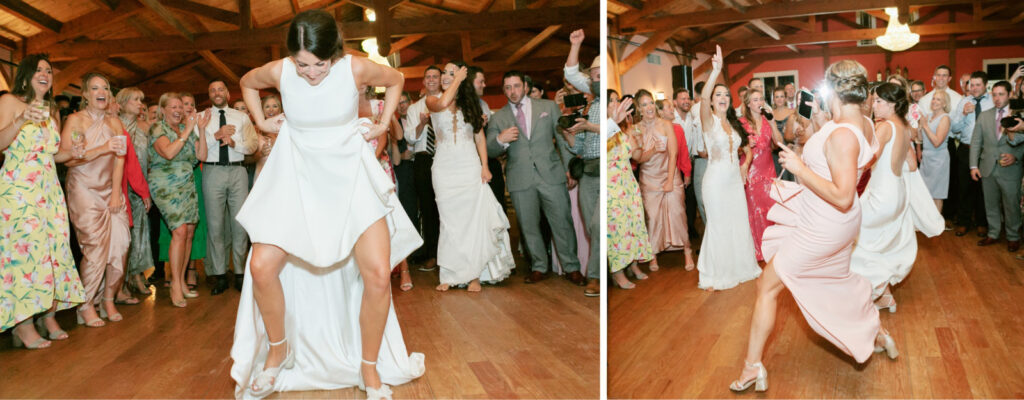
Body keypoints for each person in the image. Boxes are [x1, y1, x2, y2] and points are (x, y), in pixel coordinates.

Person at [230, 10, 424, 400]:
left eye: (319, 64)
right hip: (296, 175)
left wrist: (385, 121)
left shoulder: (354, 68)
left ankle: (368, 369)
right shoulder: (281, 70)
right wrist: (261, 122)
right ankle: (278, 350)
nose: (311, 73)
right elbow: (246, 82)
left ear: (333, 54)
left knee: (377, 274)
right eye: (303, 64)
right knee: (262, 266)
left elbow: (397, 79)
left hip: (350, 174)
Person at [731, 59, 898, 393]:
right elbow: (856, 159)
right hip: (835, 222)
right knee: (833, 281)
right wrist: (819, 128)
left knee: (767, 285)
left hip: (826, 222)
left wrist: (799, 166)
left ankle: (752, 368)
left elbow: (843, 194)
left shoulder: (842, 135)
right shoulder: (864, 123)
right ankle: (878, 334)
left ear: (832, 88)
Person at [1, 54, 86, 348]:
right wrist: (21, 119)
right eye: (39, 69)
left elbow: (51, 155)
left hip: (49, 188)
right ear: (26, 74)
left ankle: (46, 314)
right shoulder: (10, 102)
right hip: (19, 189)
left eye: (48, 71)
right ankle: (22, 324)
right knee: (26, 254)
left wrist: (72, 151)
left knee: (52, 250)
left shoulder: (51, 112)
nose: (45, 74)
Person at [850, 83, 943, 313]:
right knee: (877, 242)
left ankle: (877, 287)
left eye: (879, 101)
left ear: (892, 104)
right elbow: (911, 165)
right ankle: (885, 296)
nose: (874, 104)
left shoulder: (885, 127)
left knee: (853, 238)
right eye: (875, 100)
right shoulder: (904, 127)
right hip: (897, 195)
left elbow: (868, 159)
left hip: (881, 196)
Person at [486, 71, 585, 285]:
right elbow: (488, 149)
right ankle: (539, 266)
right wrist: (500, 140)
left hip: (550, 173)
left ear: (525, 86)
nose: (513, 91)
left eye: (516, 86)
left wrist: (569, 168)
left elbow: (562, 137)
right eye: (508, 87)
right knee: (528, 226)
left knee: (562, 222)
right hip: (520, 178)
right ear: (504, 90)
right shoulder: (499, 117)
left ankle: (572, 267)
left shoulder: (547, 107)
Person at [426, 62, 514, 292]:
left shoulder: (471, 105)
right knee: (449, 221)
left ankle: (474, 274)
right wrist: (458, 78)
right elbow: (444, 102)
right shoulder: (432, 100)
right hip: (444, 168)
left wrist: (485, 166)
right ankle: (449, 273)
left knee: (472, 221)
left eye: (451, 72)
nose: (446, 76)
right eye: (444, 72)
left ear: (461, 80)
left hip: (469, 166)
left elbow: (479, 138)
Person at [62, 73, 139, 325]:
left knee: (121, 244)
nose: (101, 91)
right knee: (95, 248)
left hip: (110, 190)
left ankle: (107, 298)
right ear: (85, 94)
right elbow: (68, 159)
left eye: (105, 87)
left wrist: (117, 193)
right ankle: (85, 305)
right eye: (95, 88)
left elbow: (120, 160)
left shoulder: (115, 123)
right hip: (83, 189)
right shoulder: (75, 121)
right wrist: (102, 148)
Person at [696, 46, 760, 291]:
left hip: (734, 181)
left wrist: (744, 167)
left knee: (737, 223)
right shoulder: (708, 121)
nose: (722, 98)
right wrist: (716, 72)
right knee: (719, 225)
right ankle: (715, 273)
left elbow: (744, 149)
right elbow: (702, 98)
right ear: (712, 101)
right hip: (715, 182)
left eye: (725, 95)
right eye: (718, 94)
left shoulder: (733, 124)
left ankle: (739, 268)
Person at [147, 93, 210, 307]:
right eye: (173, 106)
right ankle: (174, 284)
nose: (178, 110)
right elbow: (168, 153)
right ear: (163, 109)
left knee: (189, 231)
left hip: (187, 183)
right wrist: (187, 131)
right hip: (165, 183)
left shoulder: (188, 130)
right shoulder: (158, 129)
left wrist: (200, 129)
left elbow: (201, 157)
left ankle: (182, 281)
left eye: (180, 107)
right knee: (179, 231)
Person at [636, 90, 695, 271]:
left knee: (678, 214)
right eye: (644, 104)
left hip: (669, 173)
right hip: (649, 178)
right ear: (639, 109)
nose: (649, 107)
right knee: (653, 218)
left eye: (651, 103)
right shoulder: (635, 129)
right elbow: (638, 159)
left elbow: (673, 152)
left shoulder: (666, 124)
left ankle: (687, 251)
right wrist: (653, 150)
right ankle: (653, 254)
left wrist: (670, 180)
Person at [970, 81, 1024, 252]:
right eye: (994, 94)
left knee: (1011, 204)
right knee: (990, 203)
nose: (997, 98)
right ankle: (993, 233)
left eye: (1001, 94)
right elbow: (976, 142)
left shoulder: (1019, 116)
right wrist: (973, 166)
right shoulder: (984, 116)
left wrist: (1016, 157)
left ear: (1009, 95)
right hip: (987, 167)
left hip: (1010, 169)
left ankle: (1013, 236)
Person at [607, 96, 653, 288]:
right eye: (612, 101)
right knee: (618, 228)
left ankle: (633, 264)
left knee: (634, 224)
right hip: (612, 184)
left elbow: (637, 156)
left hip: (628, 183)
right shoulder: (602, 130)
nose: (617, 104)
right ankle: (617, 272)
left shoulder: (623, 131)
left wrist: (636, 136)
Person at [116, 87, 155, 297]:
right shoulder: (114, 124)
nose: (140, 103)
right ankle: (119, 281)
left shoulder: (144, 128)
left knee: (140, 232)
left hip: (140, 187)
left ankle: (137, 273)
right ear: (121, 102)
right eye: (136, 100)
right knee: (123, 236)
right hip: (120, 186)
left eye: (142, 100)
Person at [739, 89, 783, 261]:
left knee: (771, 209)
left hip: (768, 170)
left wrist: (772, 123)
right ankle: (757, 250)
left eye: (761, 99)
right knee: (754, 211)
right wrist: (744, 144)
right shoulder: (741, 123)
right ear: (749, 104)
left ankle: (773, 247)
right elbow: (733, 148)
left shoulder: (767, 120)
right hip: (750, 171)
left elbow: (778, 143)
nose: (759, 102)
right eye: (755, 100)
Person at [919, 90, 952, 210]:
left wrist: (925, 126)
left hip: (939, 159)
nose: (934, 101)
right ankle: (927, 224)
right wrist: (919, 127)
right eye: (933, 98)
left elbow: (937, 142)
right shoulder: (928, 117)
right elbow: (920, 139)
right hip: (926, 158)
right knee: (925, 193)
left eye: (938, 99)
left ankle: (936, 226)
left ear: (944, 104)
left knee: (937, 194)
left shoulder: (945, 118)